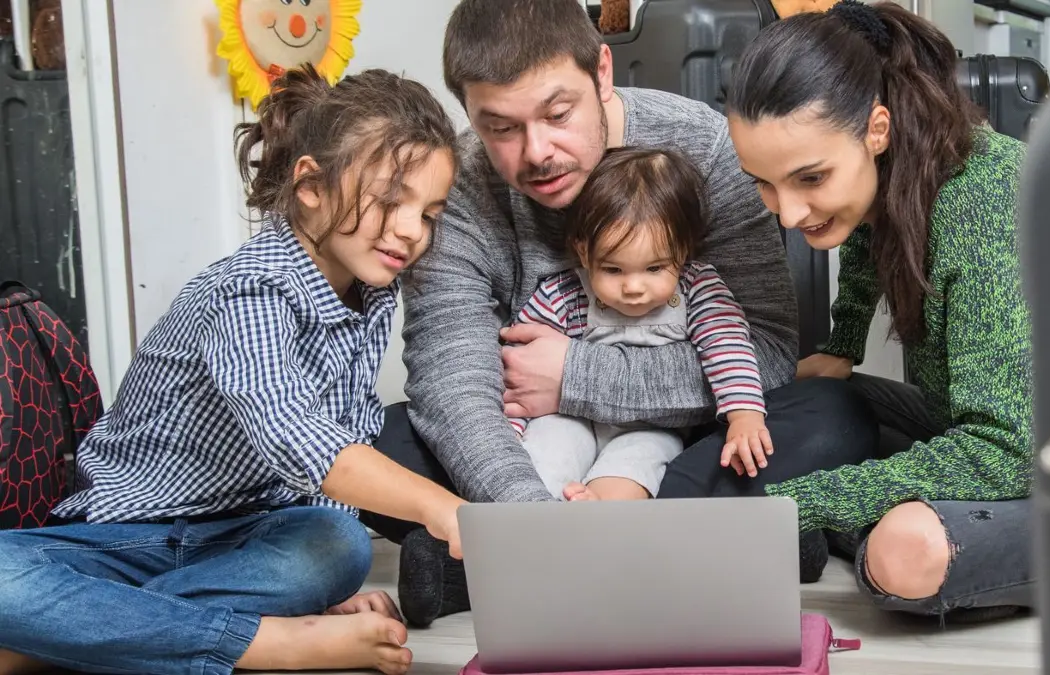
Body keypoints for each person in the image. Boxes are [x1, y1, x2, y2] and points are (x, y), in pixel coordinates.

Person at [360, 0, 879, 628]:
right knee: (380, 444)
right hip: (537, 443)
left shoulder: (706, 147)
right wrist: (532, 515)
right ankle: (725, 543)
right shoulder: (458, 186)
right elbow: (452, 377)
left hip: (687, 439)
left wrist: (577, 377)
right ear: (470, 114)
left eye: (558, 114)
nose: (537, 152)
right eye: (500, 128)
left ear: (602, 72)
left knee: (833, 415)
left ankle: (477, 566)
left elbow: (766, 351)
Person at [0, 66, 464, 675]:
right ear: (310, 185)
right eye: (390, 201)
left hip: (242, 542)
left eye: (428, 214)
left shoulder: (371, 295)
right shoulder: (249, 290)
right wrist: (439, 506)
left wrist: (327, 593)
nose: (411, 230)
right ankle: (264, 642)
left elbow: (336, 452)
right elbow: (301, 440)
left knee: (338, 544)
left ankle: (66, 641)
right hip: (127, 539)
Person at [725, 0, 1034, 620]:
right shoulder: (904, 171)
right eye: (763, 182)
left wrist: (798, 506)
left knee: (902, 555)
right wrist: (842, 347)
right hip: (969, 427)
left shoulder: (982, 206)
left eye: (810, 178)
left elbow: (1006, 449)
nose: (788, 213)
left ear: (877, 128)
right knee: (809, 396)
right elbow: (867, 244)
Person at [509, 146, 774, 502]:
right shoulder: (564, 294)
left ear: (682, 251)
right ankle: (540, 516)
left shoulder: (697, 288)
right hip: (570, 416)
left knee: (636, 468)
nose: (633, 287)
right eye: (613, 269)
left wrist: (744, 415)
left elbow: (728, 347)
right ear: (584, 252)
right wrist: (511, 428)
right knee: (544, 453)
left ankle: (598, 511)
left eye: (654, 268)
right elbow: (517, 371)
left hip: (652, 425)